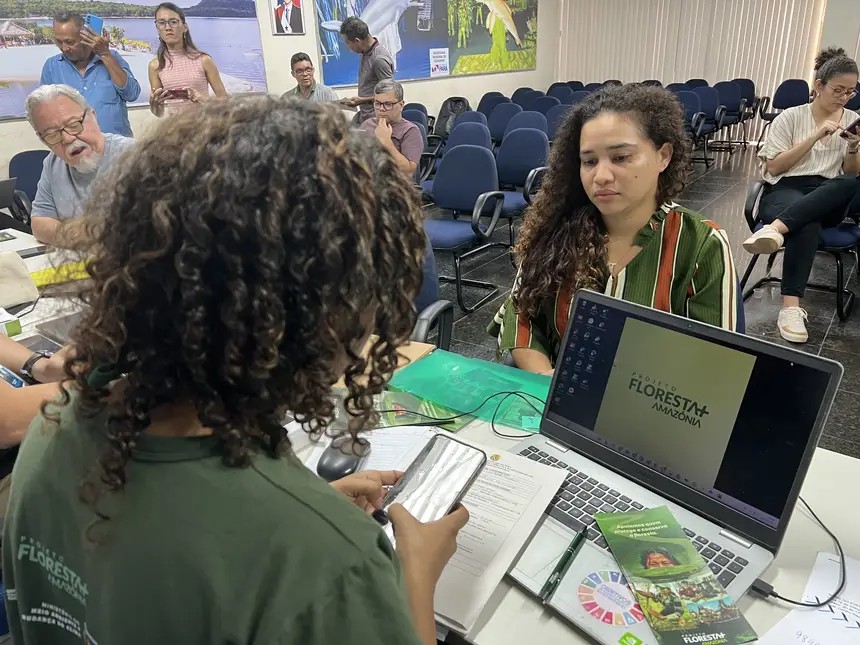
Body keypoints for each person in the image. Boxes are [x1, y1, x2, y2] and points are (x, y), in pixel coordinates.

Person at [2, 97, 468, 645]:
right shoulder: (333, 566)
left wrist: (292, 514)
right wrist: (416, 572)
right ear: (329, 315)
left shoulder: (52, 432)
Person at [489, 85, 739, 374]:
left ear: (663, 156)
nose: (602, 176)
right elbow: (520, 316)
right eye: (590, 161)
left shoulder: (700, 244)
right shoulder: (556, 230)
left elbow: (714, 366)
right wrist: (546, 381)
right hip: (550, 399)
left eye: (621, 158)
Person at [743, 47, 860, 343]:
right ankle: (791, 309)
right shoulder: (790, 118)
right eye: (838, 90)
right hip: (785, 189)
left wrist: (854, 146)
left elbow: (849, 171)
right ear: (819, 86)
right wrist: (813, 136)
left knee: (848, 184)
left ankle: (776, 229)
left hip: (829, 193)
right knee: (805, 221)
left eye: (851, 92)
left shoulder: (852, 119)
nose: (844, 97)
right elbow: (775, 166)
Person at [25, 84, 134, 246]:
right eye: (52, 134)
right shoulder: (53, 163)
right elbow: (40, 223)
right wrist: (83, 235)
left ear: (93, 116)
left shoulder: (136, 155)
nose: (68, 139)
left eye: (74, 125)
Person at [40, 11, 141, 137]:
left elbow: (132, 94)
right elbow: (45, 111)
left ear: (85, 37)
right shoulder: (52, 67)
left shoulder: (112, 58)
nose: (64, 47)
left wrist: (105, 55)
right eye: (59, 42)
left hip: (118, 149)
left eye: (70, 42)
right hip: (76, 148)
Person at [148, 2, 228, 117]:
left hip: (205, 129)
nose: (168, 28)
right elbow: (159, 113)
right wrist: (155, 105)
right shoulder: (155, 66)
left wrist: (200, 98)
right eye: (161, 23)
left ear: (185, 27)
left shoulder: (204, 60)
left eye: (173, 22)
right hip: (175, 131)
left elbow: (225, 103)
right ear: (157, 29)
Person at [360, 79, 423, 176]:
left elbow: (408, 171)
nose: (381, 109)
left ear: (401, 105)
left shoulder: (410, 131)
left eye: (388, 104)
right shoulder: (367, 125)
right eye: (377, 103)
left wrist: (386, 142)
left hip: (395, 186)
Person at [338, 16, 394, 125]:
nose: (348, 48)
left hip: (378, 121)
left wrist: (362, 100)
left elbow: (390, 95)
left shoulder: (379, 59)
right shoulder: (365, 52)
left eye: (348, 43)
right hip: (366, 118)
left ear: (357, 41)